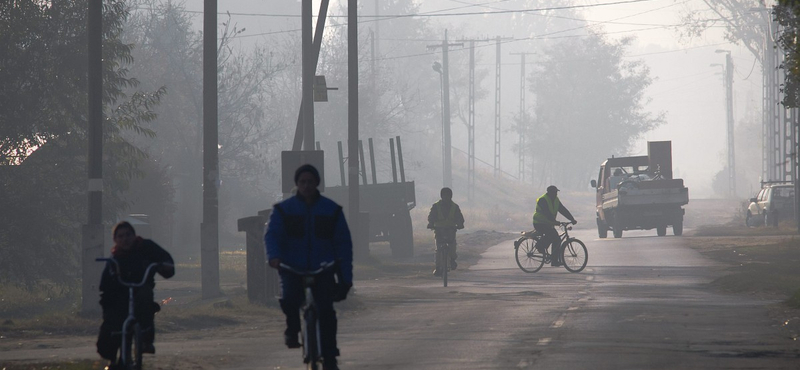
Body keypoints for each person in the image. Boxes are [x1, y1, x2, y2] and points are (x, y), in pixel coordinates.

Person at [265, 164, 353, 370]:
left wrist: (346, 278)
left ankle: (330, 357)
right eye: (302, 182)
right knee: (289, 300)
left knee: (327, 312)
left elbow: (343, 245)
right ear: (296, 184)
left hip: (323, 268)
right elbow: (272, 236)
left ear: (317, 184)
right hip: (291, 267)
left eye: (310, 182)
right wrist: (274, 257)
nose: (306, 186)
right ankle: (292, 330)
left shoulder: (332, 210)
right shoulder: (283, 210)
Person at [97, 221, 175, 370]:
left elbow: (166, 261)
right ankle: (114, 359)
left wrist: (163, 266)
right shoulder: (115, 257)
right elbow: (105, 285)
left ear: (134, 236)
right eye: (120, 236)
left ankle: (145, 340)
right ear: (115, 240)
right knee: (112, 325)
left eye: (128, 235)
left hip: (141, 289)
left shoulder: (146, 247)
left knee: (145, 300)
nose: (124, 239)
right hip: (120, 295)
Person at [532, 185, 577, 267]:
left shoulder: (556, 200)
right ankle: (540, 247)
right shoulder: (543, 200)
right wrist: (555, 222)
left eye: (556, 192)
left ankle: (553, 259)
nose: (556, 194)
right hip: (539, 223)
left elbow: (563, 210)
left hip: (548, 223)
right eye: (554, 192)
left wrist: (572, 219)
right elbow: (547, 213)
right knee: (556, 238)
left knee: (555, 238)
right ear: (549, 193)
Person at [426, 187, 465, 276]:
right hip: (439, 230)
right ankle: (438, 267)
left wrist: (460, 224)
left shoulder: (455, 207)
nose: (446, 198)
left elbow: (460, 218)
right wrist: (430, 224)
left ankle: (452, 259)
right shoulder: (436, 206)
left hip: (450, 230)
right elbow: (431, 216)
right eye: (444, 196)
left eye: (448, 196)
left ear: (451, 196)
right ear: (442, 196)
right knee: (439, 249)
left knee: (452, 246)